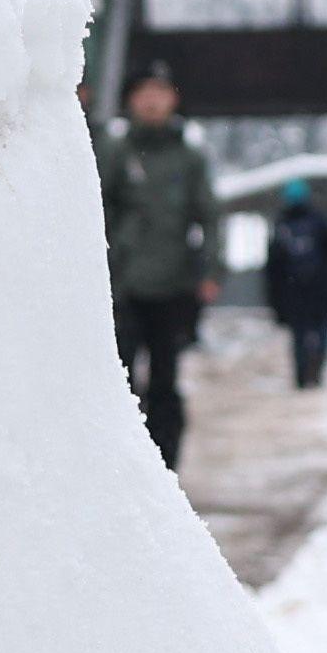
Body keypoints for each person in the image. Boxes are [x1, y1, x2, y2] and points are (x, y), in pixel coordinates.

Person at [99, 64, 215, 466]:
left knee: (165, 380)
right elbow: (96, 210)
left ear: (173, 99)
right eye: (144, 91)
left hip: (174, 285)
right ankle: (122, 464)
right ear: (131, 100)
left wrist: (211, 272)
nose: (152, 101)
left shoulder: (189, 157)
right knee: (121, 380)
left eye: (160, 91)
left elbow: (209, 215)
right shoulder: (117, 151)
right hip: (124, 285)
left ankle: (165, 465)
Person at [262, 176, 327, 390]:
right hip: (320, 289)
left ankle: (301, 375)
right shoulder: (320, 221)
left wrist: (275, 300)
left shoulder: (282, 225)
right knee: (321, 331)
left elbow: (273, 267)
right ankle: (316, 369)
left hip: (294, 291)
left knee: (299, 335)